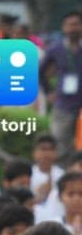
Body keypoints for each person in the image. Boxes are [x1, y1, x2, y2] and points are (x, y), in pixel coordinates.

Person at [42, 12, 82, 160]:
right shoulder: (55, 49)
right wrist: (48, 91)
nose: (73, 28)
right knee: (60, 144)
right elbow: (41, 71)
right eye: (69, 25)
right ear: (63, 28)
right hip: (64, 104)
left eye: (76, 24)